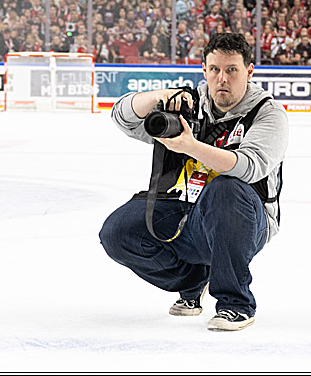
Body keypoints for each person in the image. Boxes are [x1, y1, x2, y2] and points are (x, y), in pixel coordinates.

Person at [100, 32, 288, 332]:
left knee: (226, 188)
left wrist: (189, 146)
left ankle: (235, 303)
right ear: (204, 70)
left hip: (247, 220)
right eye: (214, 70)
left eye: (231, 70)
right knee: (117, 233)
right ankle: (194, 277)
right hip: (186, 207)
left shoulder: (267, 113)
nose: (222, 79)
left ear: (249, 71)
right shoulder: (189, 103)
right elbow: (123, 118)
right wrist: (158, 97)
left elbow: (250, 167)